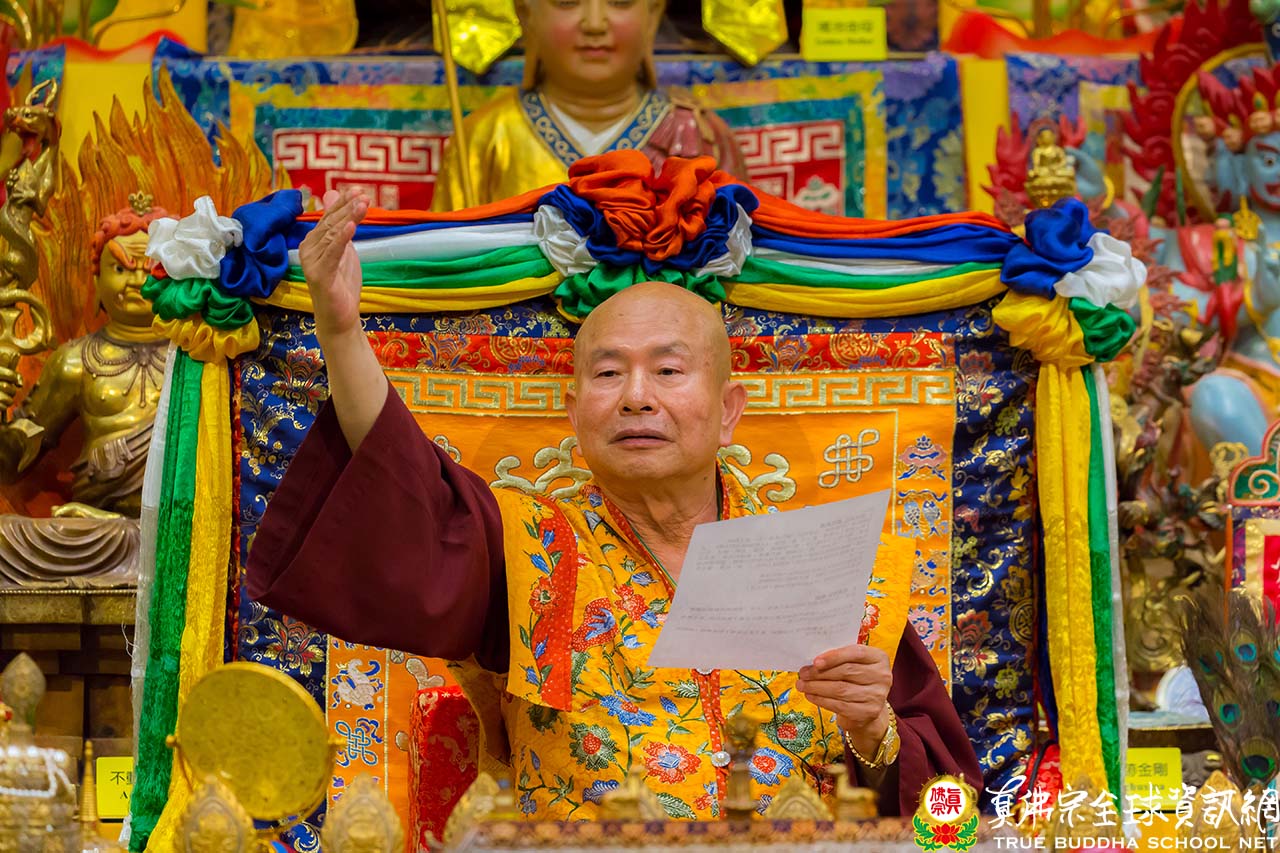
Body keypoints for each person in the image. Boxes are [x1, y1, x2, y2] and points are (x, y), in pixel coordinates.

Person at [247, 188, 981, 819]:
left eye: (668, 370)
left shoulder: (826, 568)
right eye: (607, 373)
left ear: (729, 411)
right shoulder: (526, 551)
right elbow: (406, 486)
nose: (636, 396)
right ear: (574, 413)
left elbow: (946, 818)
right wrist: (341, 331)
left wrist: (871, 728)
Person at [431, 0, 746, 211]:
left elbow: (745, 259)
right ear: (526, 14)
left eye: (620, 1)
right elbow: (447, 264)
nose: (595, 24)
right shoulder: (485, 136)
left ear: (652, 15)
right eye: (567, 1)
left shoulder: (700, 136)